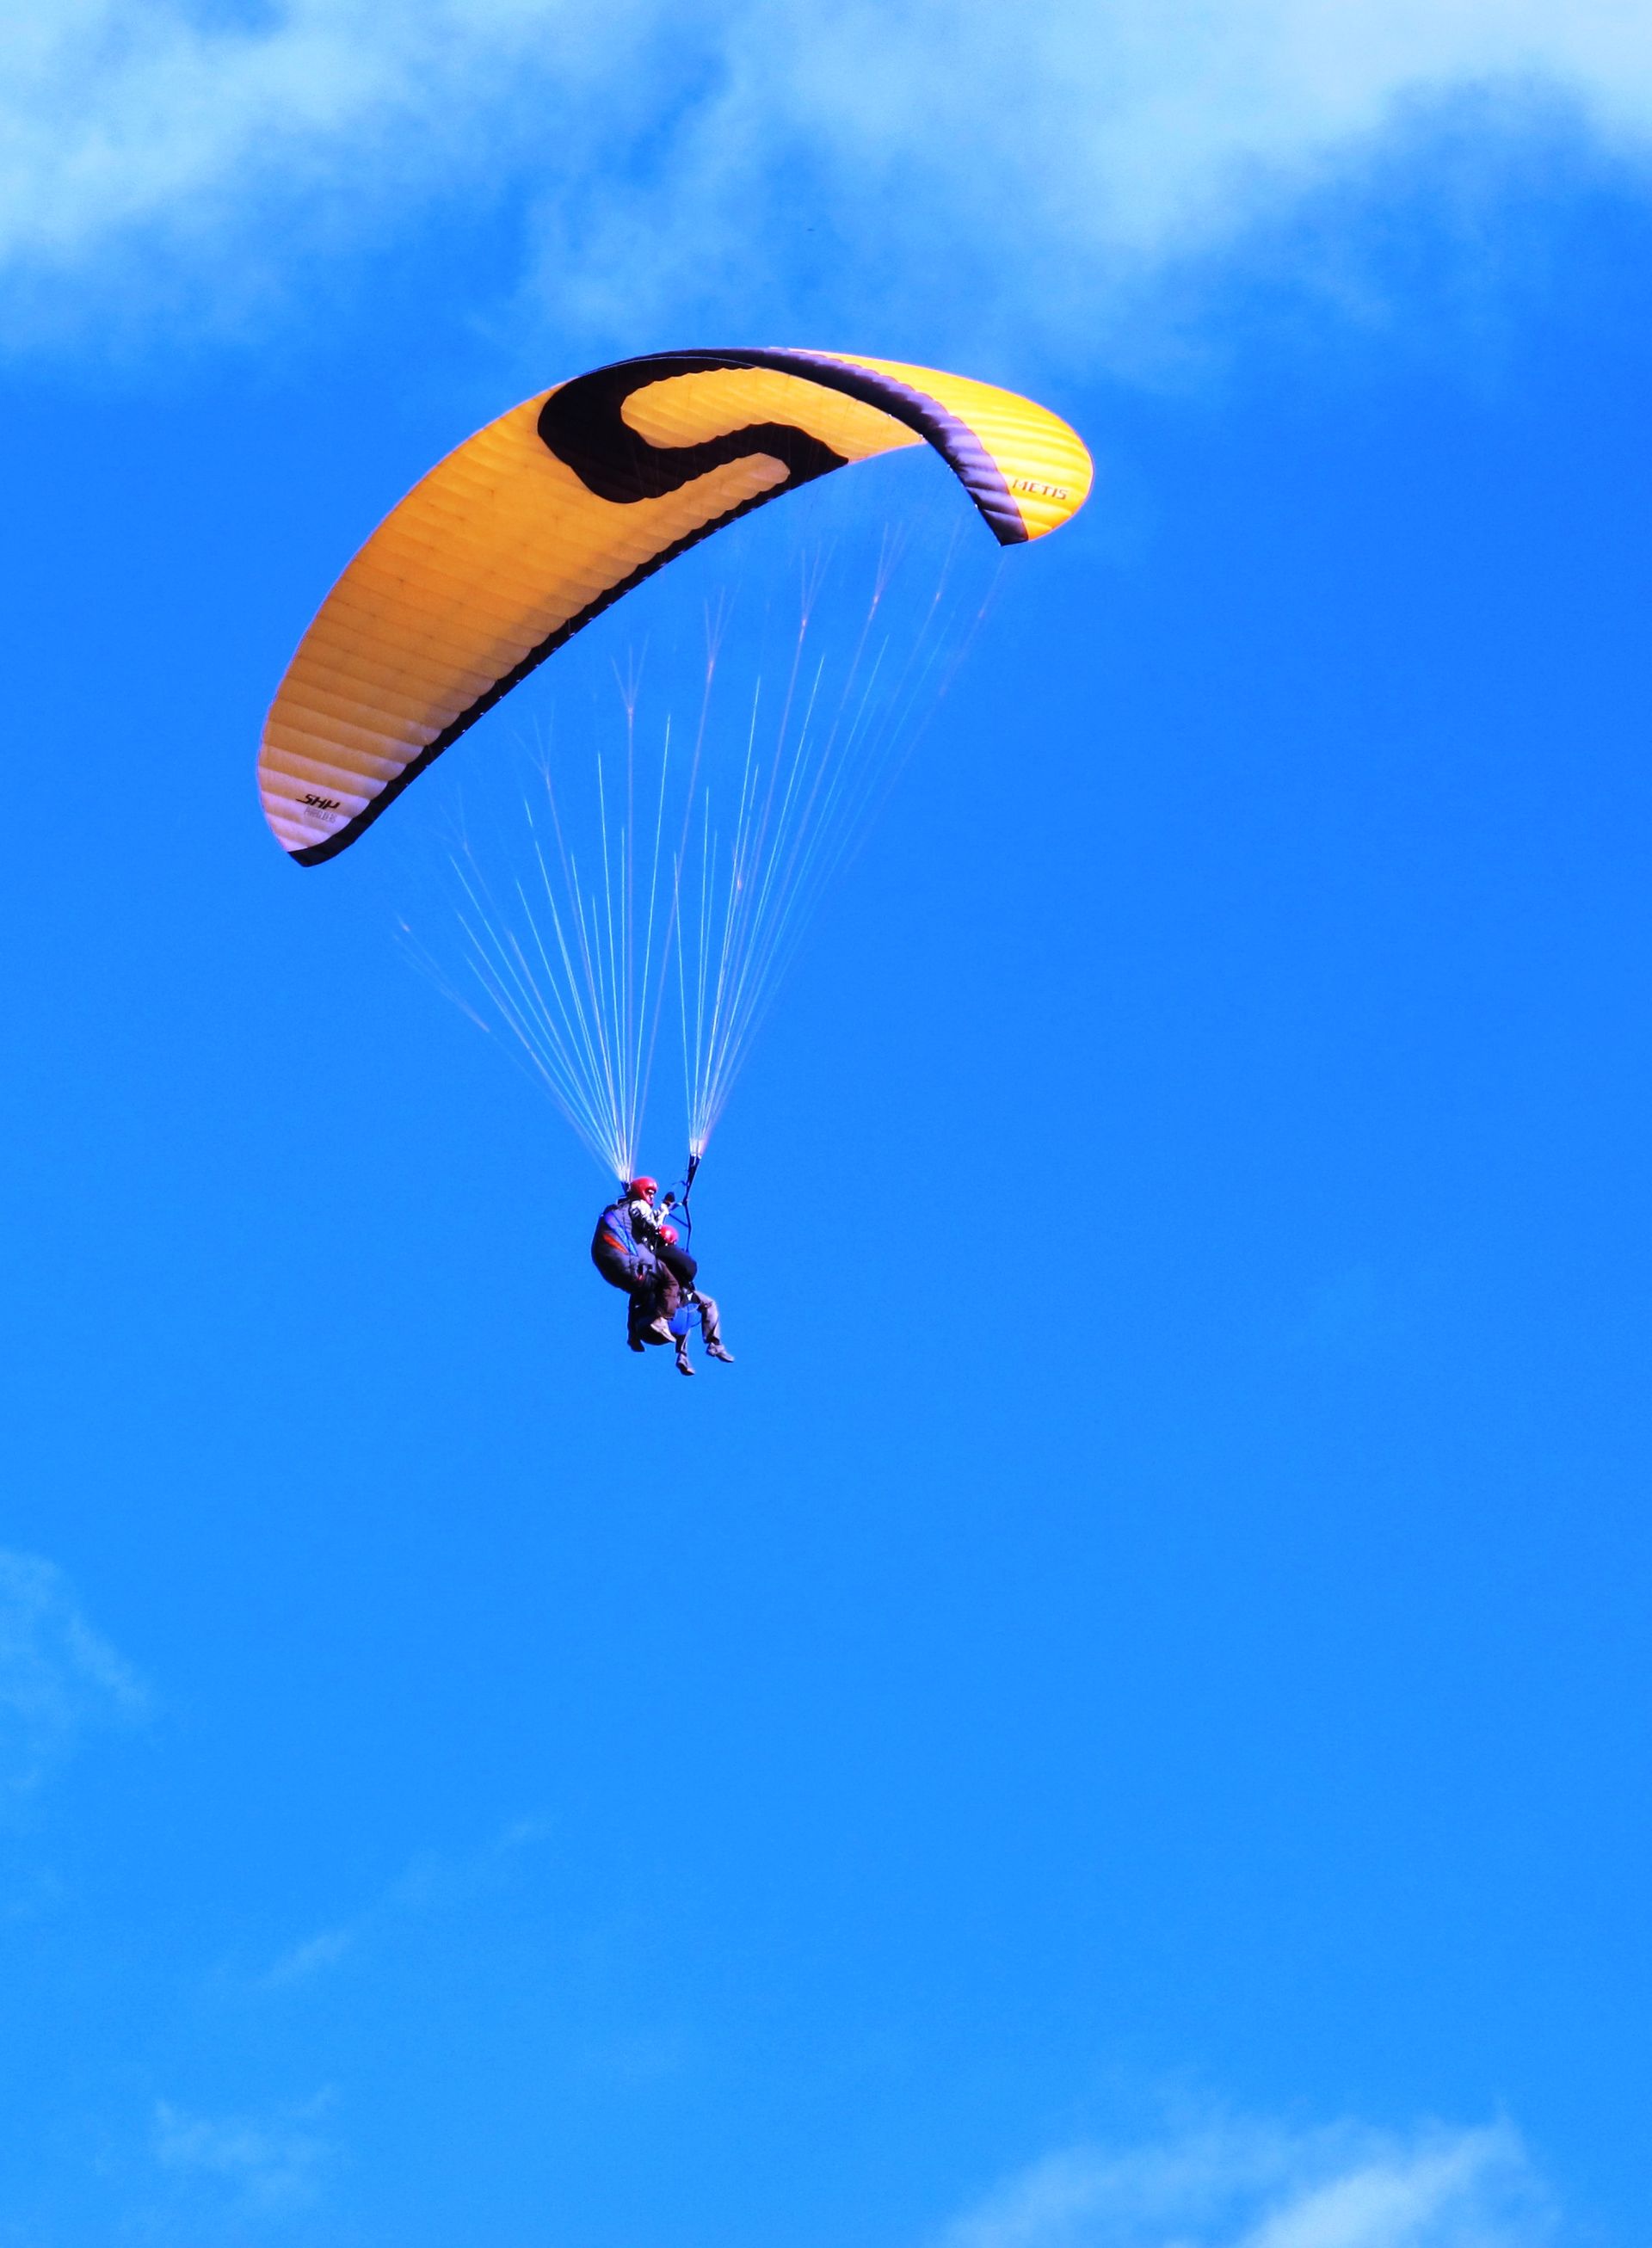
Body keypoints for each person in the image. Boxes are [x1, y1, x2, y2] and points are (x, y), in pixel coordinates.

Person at [589, 1177, 677, 1349]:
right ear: (641, 1191)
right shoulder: (638, 1204)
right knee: (670, 1280)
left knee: (640, 1290)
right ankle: (662, 1319)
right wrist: (664, 1208)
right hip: (627, 1260)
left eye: (654, 1194)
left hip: (609, 1264)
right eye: (650, 1193)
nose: (652, 1197)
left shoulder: (621, 1207)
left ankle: (632, 1335)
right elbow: (653, 1226)